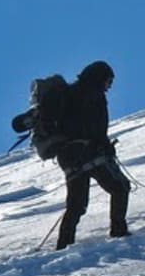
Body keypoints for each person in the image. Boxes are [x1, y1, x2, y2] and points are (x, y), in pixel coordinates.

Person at [56, 61, 131, 249]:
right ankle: (118, 230)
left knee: (76, 205)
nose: (109, 86)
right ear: (100, 78)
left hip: (68, 157)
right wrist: (105, 146)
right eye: (109, 81)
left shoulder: (70, 93)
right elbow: (94, 128)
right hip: (88, 154)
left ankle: (63, 245)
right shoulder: (93, 95)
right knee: (120, 187)